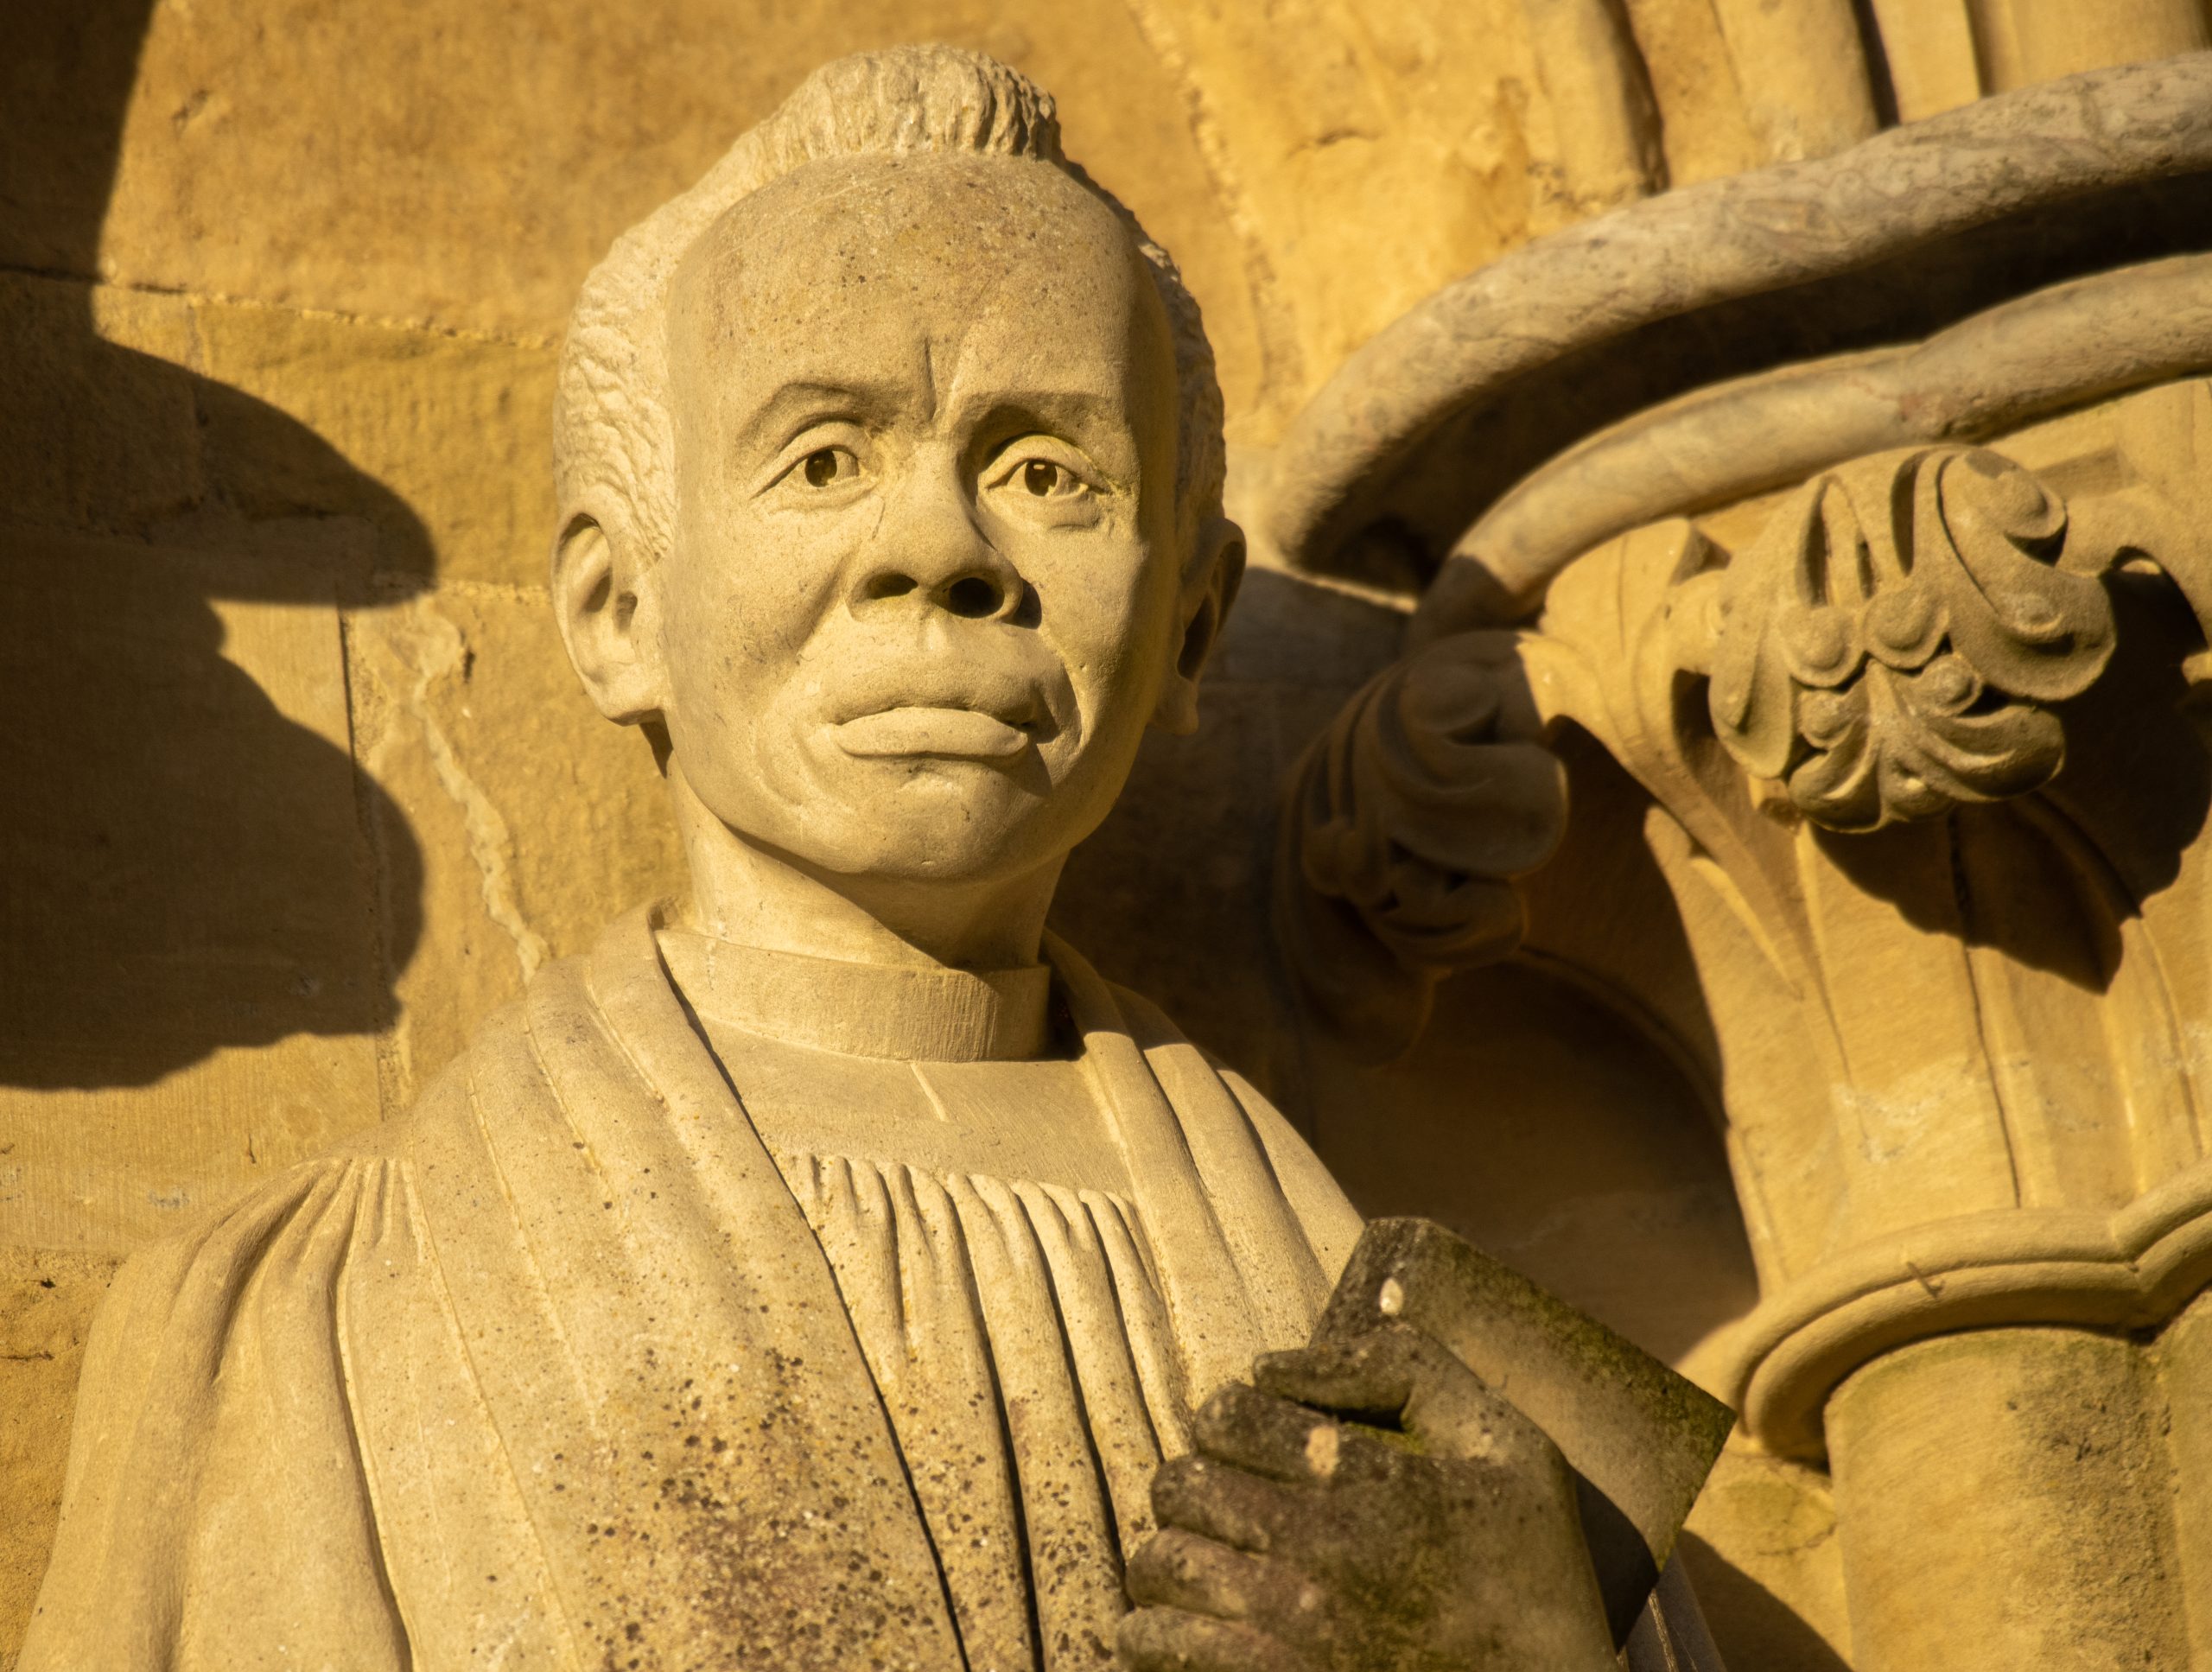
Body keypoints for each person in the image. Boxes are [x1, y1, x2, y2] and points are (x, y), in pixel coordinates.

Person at [20, 47, 1615, 1671]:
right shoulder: (300, 1330)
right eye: (825, 459)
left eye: (1049, 472)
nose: (940, 553)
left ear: (1189, 623)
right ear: (619, 611)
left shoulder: (1433, 1398)